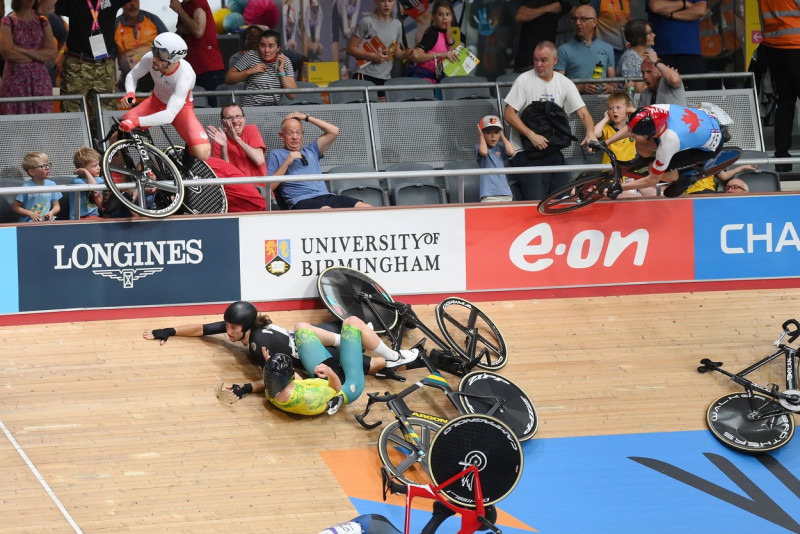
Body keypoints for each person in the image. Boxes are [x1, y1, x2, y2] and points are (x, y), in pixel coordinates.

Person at [142, 301, 419, 402]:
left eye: (231, 328)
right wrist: (168, 330)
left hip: (317, 359)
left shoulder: (259, 343)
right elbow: (205, 328)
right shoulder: (245, 328)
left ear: (245, 327)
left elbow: (280, 379)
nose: (227, 332)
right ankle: (354, 338)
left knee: (374, 367)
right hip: (305, 340)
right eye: (227, 326)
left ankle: (402, 360)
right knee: (306, 328)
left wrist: (246, 388)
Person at [503, 40, 597, 201]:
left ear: (555, 61)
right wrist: (531, 135)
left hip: (552, 151)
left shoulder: (565, 83)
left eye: (544, 60)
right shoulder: (524, 80)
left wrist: (590, 133)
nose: (538, 64)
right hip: (525, 152)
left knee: (562, 199)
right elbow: (508, 114)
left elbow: (583, 113)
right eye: (535, 60)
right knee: (536, 201)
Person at [118, 32, 212, 168]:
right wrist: (130, 93)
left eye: (162, 56)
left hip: (180, 110)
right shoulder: (150, 58)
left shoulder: (186, 74)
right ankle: (115, 177)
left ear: (174, 58)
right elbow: (132, 75)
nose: (155, 58)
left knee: (203, 153)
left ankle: (188, 157)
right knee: (119, 131)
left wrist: (136, 121)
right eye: (154, 51)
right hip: (155, 102)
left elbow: (169, 115)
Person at [603, 104, 728, 198]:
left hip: (709, 147)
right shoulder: (655, 110)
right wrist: (604, 143)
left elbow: (653, 179)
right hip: (702, 123)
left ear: (652, 133)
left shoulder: (670, 141)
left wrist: (621, 187)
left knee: (654, 168)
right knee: (641, 142)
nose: (632, 135)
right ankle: (642, 160)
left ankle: (683, 179)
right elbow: (630, 129)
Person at [267, 111, 371, 210]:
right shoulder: (275, 154)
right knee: (327, 211)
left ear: (303, 134)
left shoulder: (312, 150)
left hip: (326, 196)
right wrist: (286, 163)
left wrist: (306, 117)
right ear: (281, 136)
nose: (295, 137)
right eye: (290, 133)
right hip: (301, 200)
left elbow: (334, 131)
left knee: (367, 208)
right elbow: (269, 187)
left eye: (298, 133)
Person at [264, 320, 366, 416]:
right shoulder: (310, 397)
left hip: (321, 380)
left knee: (301, 329)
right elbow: (336, 388)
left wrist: (270, 362)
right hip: (345, 388)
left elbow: (296, 379)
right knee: (352, 323)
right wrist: (329, 372)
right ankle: (377, 358)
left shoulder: (270, 394)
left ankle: (352, 344)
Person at [56, 0, 130, 116]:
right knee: (72, 115)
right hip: (77, 65)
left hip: (104, 67)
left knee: (105, 116)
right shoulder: (73, 2)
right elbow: (49, 6)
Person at [757, 0, 800, 173]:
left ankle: (782, 158)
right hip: (797, 45)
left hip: (774, 48)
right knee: (785, 103)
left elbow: (763, 19)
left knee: (785, 103)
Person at [593, 90, 657, 198]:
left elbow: (649, 124)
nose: (614, 111)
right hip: (612, 175)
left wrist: (635, 112)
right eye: (611, 108)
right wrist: (605, 118)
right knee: (629, 196)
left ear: (627, 110)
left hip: (631, 173)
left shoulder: (634, 128)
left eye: (618, 108)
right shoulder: (607, 129)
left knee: (653, 193)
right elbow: (595, 133)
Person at [0, 0, 58, 114]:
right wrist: (38, 56)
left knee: (42, 121)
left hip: (40, 82)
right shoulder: (7, 22)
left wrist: (21, 50)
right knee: (16, 121)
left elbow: (52, 53)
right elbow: (7, 53)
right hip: (15, 81)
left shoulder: (42, 22)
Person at [170, 0, 225, 102]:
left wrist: (179, 10)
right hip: (191, 69)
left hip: (208, 68)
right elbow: (181, 32)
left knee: (213, 110)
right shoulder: (184, 6)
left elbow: (198, 31)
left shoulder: (198, 2)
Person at [555, 4, 617, 95]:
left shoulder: (607, 48)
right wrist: (580, 88)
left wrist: (611, 88)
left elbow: (614, 83)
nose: (577, 23)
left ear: (594, 22)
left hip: (602, 102)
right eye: (574, 19)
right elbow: (558, 85)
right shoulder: (563, 50)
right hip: (575, 103)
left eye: (583, 19)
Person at [346, 0, 409, 88]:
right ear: (376, 2)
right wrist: (372, 56)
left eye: (390, 1)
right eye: (383, 1)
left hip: (385, 77)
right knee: (367, 101)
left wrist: (406, 54)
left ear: (394, 2)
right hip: (365, 75)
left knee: (382, 101)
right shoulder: (366, 22)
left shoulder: (397, 24)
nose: (387, 4)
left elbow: (396, 52)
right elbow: (350, 48)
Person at [225, 29, 297, 107]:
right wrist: (250, 71)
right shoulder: (251, 56)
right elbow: (228, 79)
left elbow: (291, 95)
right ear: (258, 46)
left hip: (273, 110)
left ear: (278, 47)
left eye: (271, 46)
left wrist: (281, 71)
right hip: (251, 110)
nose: (266, 50)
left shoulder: (284, 61)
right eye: (262, 46)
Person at [647, 0, 707, 90]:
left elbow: (700, 10)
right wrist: (684, 3)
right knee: (663, 93)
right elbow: (656, 7)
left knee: (695, 93)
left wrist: (671, 15)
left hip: (691, 51)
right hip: (661, 52)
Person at [113, 0, 168, 92]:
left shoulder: (152, 19)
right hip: (128, 80)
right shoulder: (115, 25)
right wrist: (113, 84)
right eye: (128, 1)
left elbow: (169, 46)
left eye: (135, 0)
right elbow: (110, 58)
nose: (133, 4)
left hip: (157, 79)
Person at [206, 104, 267, 179]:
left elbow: (259, 160)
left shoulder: (251, 129)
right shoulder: (218, 141)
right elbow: (224, 175)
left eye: (238, 116)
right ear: (223, 122)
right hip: (235, 187)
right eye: (229, 118)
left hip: (259, 187)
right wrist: (224, 146)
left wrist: (237, 139)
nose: (235, 121)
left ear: (244, 119)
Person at [406, 0, 458, 83]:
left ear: (452, 17)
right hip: (423, 80)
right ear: (433, 17)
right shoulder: (433, 33)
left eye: (447, 14)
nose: (444, 18)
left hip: (435, 81)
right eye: (440, 14)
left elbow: (452, 59)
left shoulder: (447, 36)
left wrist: (449, 38)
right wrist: (440, 55)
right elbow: (417, 56)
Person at [513, 0, 567, 73]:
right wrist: (548, 8)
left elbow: (576, 12)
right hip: (529, 62)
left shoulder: (559, 3)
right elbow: (520, 15)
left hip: (548, 62)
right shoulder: (538, 2)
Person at [12, 151, 61, 223]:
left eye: (47, 165)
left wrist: (51, 213)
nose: (47, 168)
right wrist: (30, 213)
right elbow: (16, 207)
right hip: (28, 224)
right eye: (43, 166)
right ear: (32, 172)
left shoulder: (52, 185)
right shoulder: (26, 187)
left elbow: (57, 206)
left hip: (45, 222)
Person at [476, 115, 514, 202]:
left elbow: (511, 152)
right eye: (488, 133)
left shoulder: (501, 146)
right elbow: (484, 152)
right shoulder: (479, 147)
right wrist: (481, 136)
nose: (493, 136)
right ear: (482, 133)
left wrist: (503, 136)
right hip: (488, 193)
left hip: (505, 192)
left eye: (496, 132)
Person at [616, 19, 656, 94]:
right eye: (650, 33)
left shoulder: (650, 50)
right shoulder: (630, 59)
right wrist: (661, 80)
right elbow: (639, 90)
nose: (654, 35)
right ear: (640, 37)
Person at [70, 146, 105, 220]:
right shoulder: (77, 182)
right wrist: (85, 172)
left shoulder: (99, 180)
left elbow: (101, 205)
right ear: (82, 169)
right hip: (79, 218)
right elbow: (93, 187)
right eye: (94, 166)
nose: (99, 168)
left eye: (98, 164)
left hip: (94, 216)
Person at [684, 164, 756, 194]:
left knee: (730, 195)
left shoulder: (711, 161)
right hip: (693, 193)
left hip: (710, 192)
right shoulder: (685, 161)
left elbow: (724, 176)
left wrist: (742, 168)